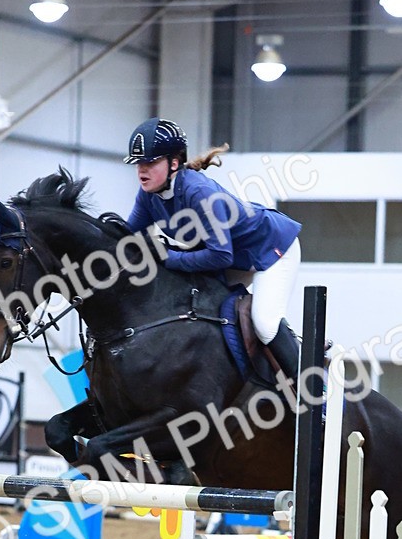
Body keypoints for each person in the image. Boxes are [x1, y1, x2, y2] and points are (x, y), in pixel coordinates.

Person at [124, 117, 302, 381]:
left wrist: (169, 258)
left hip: (272, 250)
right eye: (139, 163)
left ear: (174, 162)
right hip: (233, 258)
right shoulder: (148, 195)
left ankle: (312, 387)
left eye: (150, 162)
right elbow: (129, 237)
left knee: (264, 323)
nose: (142, 170)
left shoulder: (199, 193)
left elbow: (220, 255)